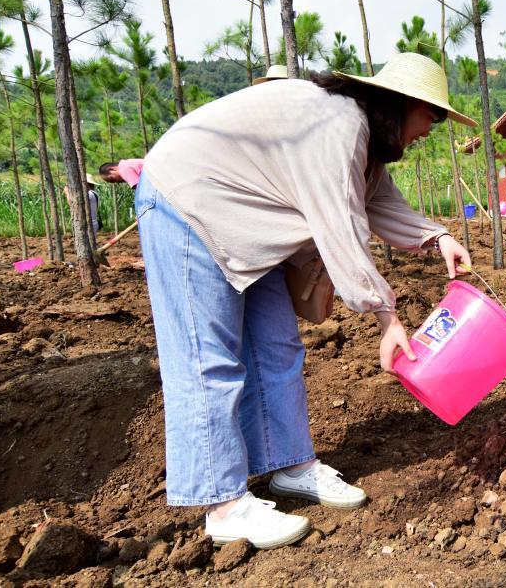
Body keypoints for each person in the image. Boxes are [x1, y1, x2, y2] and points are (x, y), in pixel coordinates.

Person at [136, 52, 474, 549]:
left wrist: (437, 238)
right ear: (400, 105)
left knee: (277, 348)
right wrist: (385, 314)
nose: (432, 128)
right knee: (208, 360)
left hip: (250, 224)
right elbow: (342, 226)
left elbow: (376, 200)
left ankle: (289, 464)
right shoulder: (337, 125)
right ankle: (224, 505)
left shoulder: (364, 141)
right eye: (431, 115)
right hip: (188, 204)